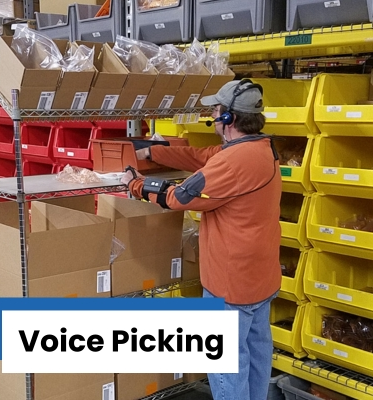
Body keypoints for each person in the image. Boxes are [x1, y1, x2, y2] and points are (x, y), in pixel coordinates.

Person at [121, 79, 282, 400]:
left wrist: (135, 184)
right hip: (261, 277)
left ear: (228, 119)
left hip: (230, 284)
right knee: (257, 355)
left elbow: (179, 196)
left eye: (216, 109)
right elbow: (206, 156)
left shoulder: (233, 163)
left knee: (227, 366)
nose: (212, 112)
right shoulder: (262, 149)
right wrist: (155, 151)